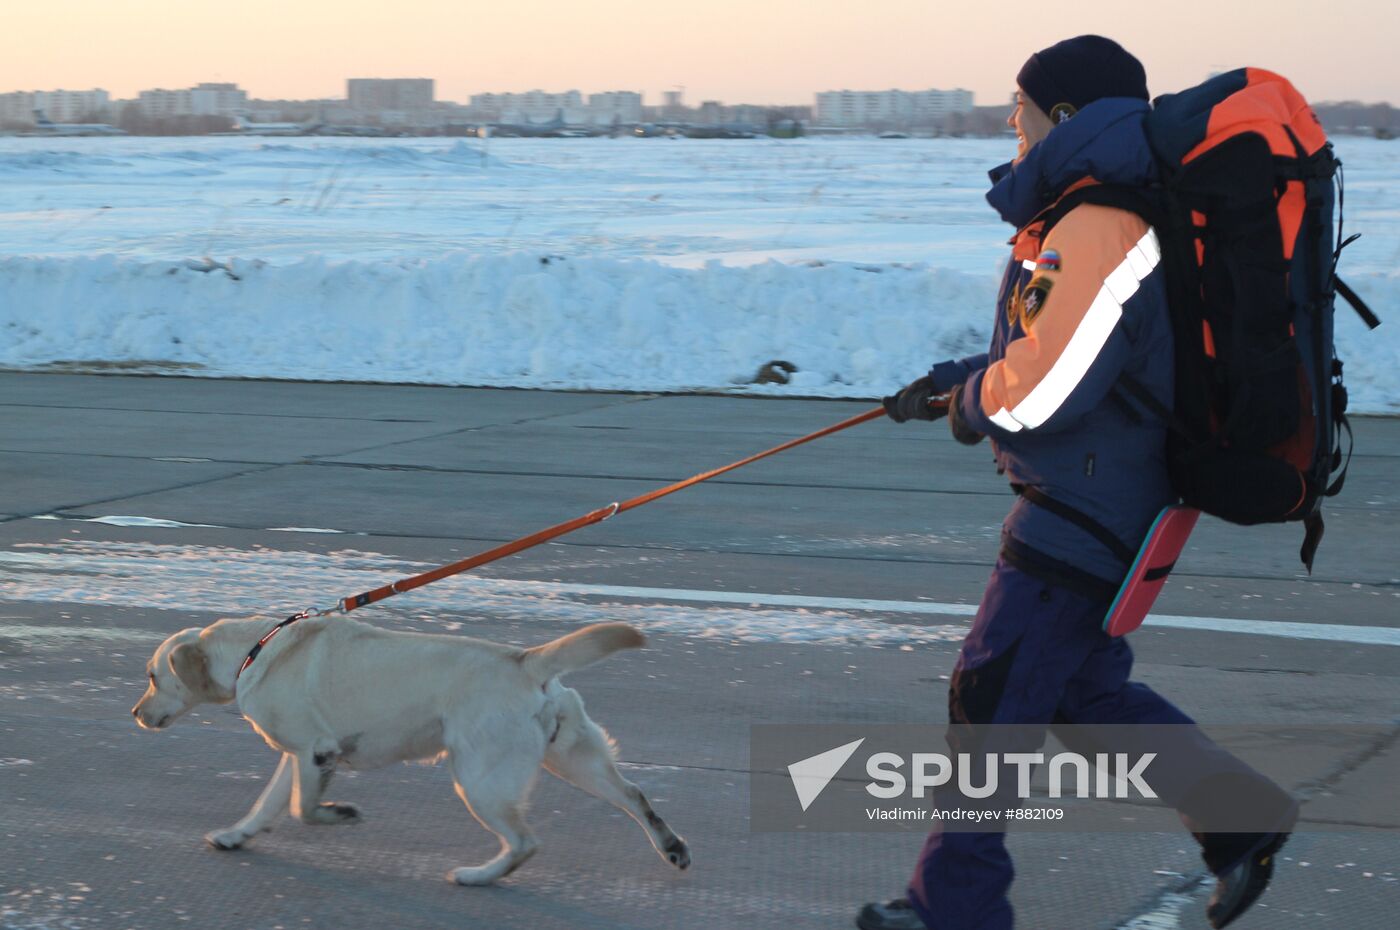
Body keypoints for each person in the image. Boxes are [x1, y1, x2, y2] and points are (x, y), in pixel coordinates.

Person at [860, 36, 1297, 930]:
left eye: (1018, 109)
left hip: (1081, 506)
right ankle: (1238, 815)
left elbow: (1052, 387)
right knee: (1077, 693)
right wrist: (959, 375)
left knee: (989, 703)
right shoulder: (1099, 212)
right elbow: (1062, 346)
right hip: (1109, 496)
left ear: (1063, 117)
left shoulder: (1098, 223)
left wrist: (976, 402)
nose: (1008, 126)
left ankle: (955, 910)